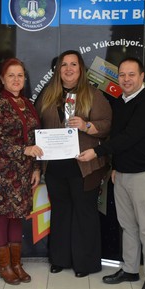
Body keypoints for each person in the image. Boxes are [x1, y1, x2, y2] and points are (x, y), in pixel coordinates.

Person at [77, 56, 145, 289]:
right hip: (123, 174)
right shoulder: (120, 102)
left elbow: (129, 137)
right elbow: (117, 137)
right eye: (122, 75)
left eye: (131, 74)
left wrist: (96, 152)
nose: (126, 79)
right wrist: (115, 166)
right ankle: (130, 270)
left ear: (142, 77)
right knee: (128, 226)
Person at [36, 50, 112, 277]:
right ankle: (60, 259)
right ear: (58, 70)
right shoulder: (48, 95)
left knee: (84, 213)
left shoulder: (93, 95)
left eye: (74, 65)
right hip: (55, 167)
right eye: (64, 65)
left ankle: (85, 264)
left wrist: (87, 125)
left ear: (81, 70)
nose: (69, 69)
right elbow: (36, 126)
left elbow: (108, 125)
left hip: (84, 166)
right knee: (60, 212)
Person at [0, 58, 42, 285]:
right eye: (11, 75)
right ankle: (4, 266)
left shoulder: (27, 103)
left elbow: (34, 138)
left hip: (23, 170)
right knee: (1, 216)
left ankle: (17, 264)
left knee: (17, 216)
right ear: (2, 79)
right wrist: (23, 150)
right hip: (0, 171)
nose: (16, 79)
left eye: (20, 75)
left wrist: (36, 167)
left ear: (25, 78)